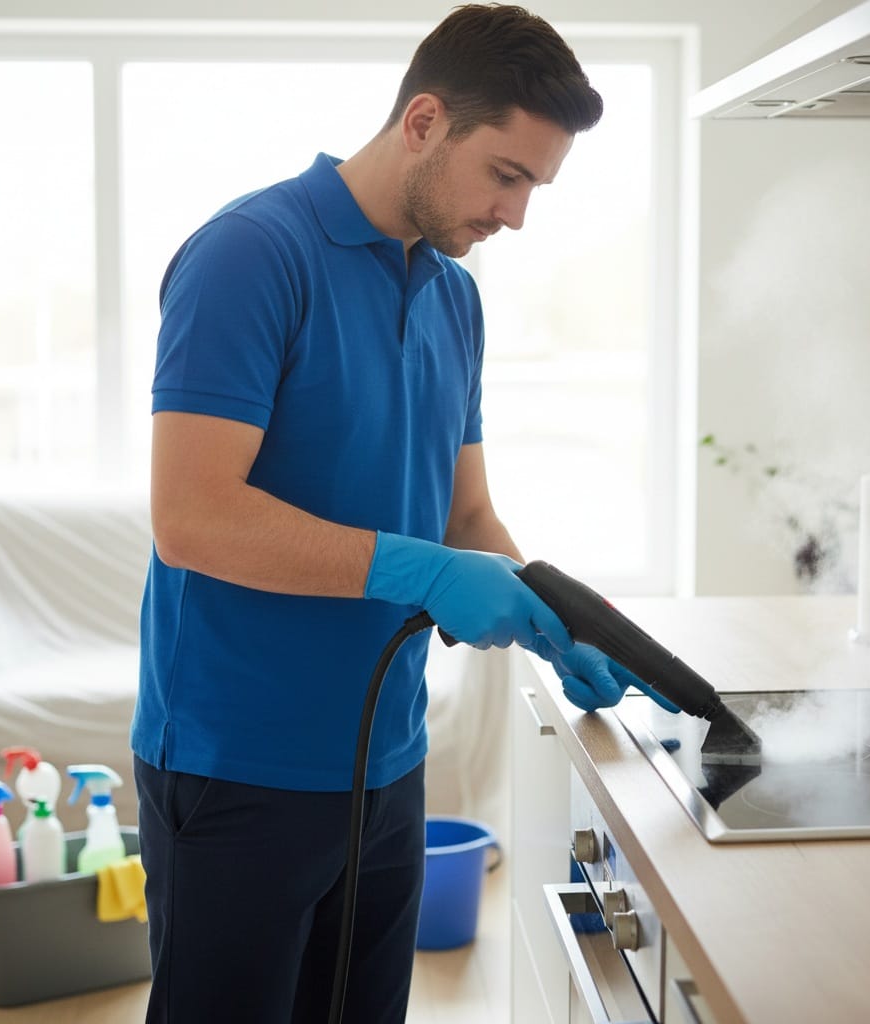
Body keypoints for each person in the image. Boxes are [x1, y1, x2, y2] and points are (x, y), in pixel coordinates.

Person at [130, 5, 667, 1021]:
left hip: (387, 764)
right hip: (237, 768)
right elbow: (190, 518)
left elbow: (467, 516)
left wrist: (562, 618)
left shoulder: (453, 296)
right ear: (423, 120)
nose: (516, 215)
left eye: (535, 188)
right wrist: (414, 572)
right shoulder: (252, 255)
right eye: (506, 176)